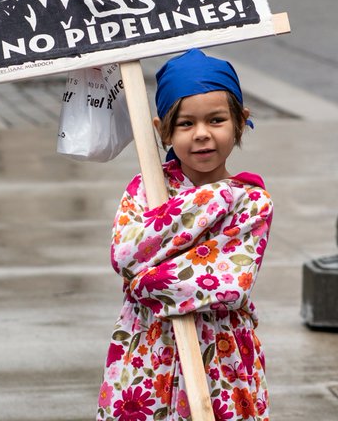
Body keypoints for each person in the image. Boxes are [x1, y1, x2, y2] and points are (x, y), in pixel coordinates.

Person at [96, 49, 273, 421]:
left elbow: (225, 285)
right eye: (186, 124)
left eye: (216, 119)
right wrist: (210, 204)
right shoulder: (147, 190)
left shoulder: (250, 202)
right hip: (149, 350)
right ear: (163, 130)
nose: (202, 134)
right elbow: (125, 254)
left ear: (240, 121)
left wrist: (146, 279)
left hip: (221, 355)